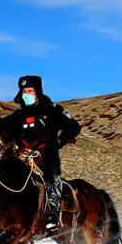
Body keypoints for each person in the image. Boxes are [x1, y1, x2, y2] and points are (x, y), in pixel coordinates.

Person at [9, 75, 80, 231]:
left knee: (51, 178)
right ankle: (11, 220)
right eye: (23, 91)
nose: (26, 94)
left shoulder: (52, 109)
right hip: (24, 158)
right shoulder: (18, 115)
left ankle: (53, 213)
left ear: (37, 91)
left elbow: (74, 127)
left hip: (48, 156)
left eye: (29, 90)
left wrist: (59, 142)